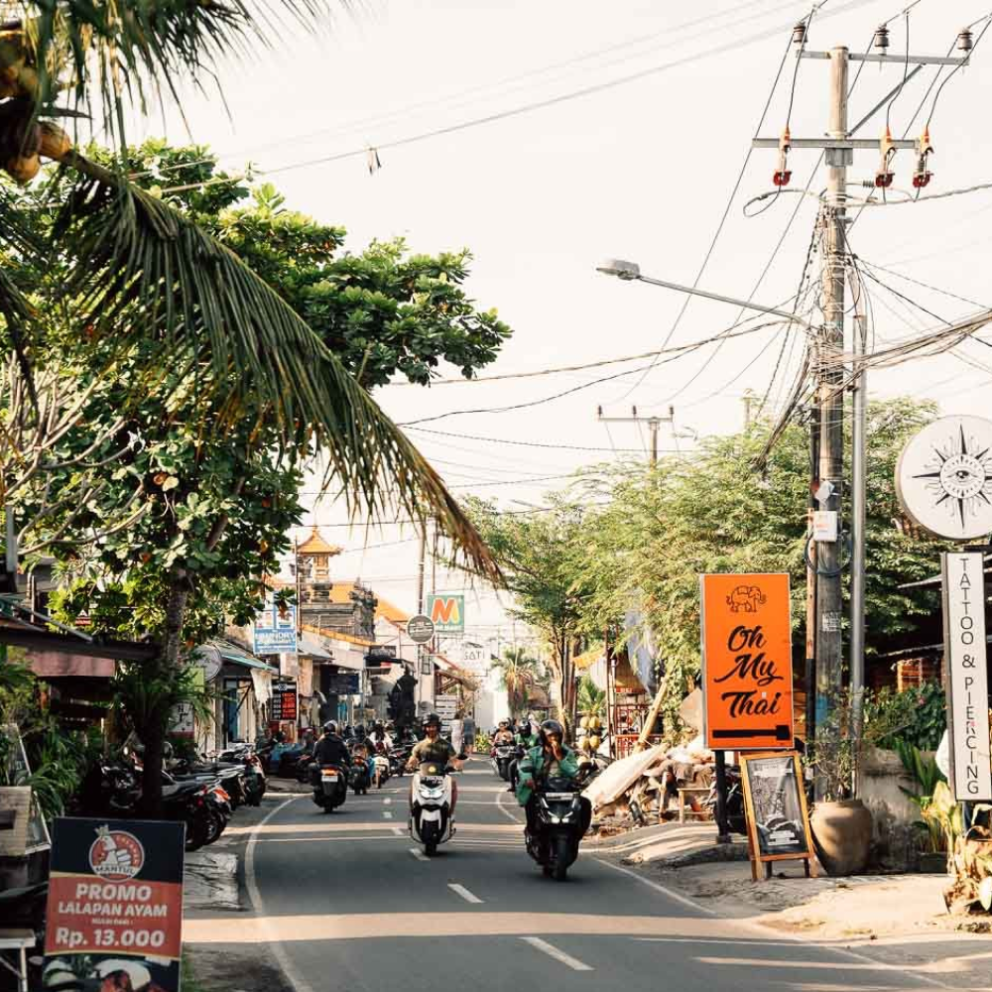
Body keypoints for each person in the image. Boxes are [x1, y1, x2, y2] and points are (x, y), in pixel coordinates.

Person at [516, 719, 590, 835]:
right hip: (542, 789)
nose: (554, 739)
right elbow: (525, 767)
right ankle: (532, 831)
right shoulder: (533, 752)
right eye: (550, 736)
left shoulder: (568, 753)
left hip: (564, 790)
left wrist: (560, 758)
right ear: (543, 737)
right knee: (531, 803)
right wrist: (528, 778)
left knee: (585, 803)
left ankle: (578, 834)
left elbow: (574, 772)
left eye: (556, 736)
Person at [406, 712, 466, 814]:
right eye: (428, 726)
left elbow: (454, 759)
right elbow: (413, 759)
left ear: (438, 727)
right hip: (422, 776)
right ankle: (413, 812)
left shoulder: (446, 745)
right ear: (424, 728)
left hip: (441, 775)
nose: (431, 729)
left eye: (433, 726)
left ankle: (449, 813)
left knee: (453, 783)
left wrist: (457, 765)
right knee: (413, 783)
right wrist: (409, 765)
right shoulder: (419, 745)